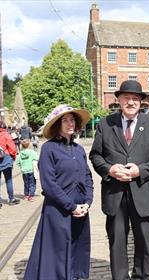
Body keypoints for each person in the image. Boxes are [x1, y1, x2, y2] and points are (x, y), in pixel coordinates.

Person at [89, 80, 149, 280]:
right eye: (126, 98)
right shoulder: (105, 124)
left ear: (141, 102)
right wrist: (109, 169)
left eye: (136, 98)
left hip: (143, 192)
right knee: (117, 242)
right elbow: (95, 156)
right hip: (114, 194)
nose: (131, 102)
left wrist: (140, 170)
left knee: (145, 242)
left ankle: (141, 277)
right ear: (119, 100)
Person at [24, 105, 94, 280]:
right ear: (57, 124)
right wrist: (71, 206)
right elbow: (49, 184)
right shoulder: (49, 149)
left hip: (80, 209)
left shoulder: (79, 150)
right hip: (58, 209)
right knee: (57, 251)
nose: (70, 123)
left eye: (72, 120)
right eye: (65, 120)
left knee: (77, 247)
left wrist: (87, 201)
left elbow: (87, 176)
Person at [0, 121, 20, 208]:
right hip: (6, 159)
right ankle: (11, 199)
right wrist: (13, 157)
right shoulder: (6, 135)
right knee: (8, 180)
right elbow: (12, 148)